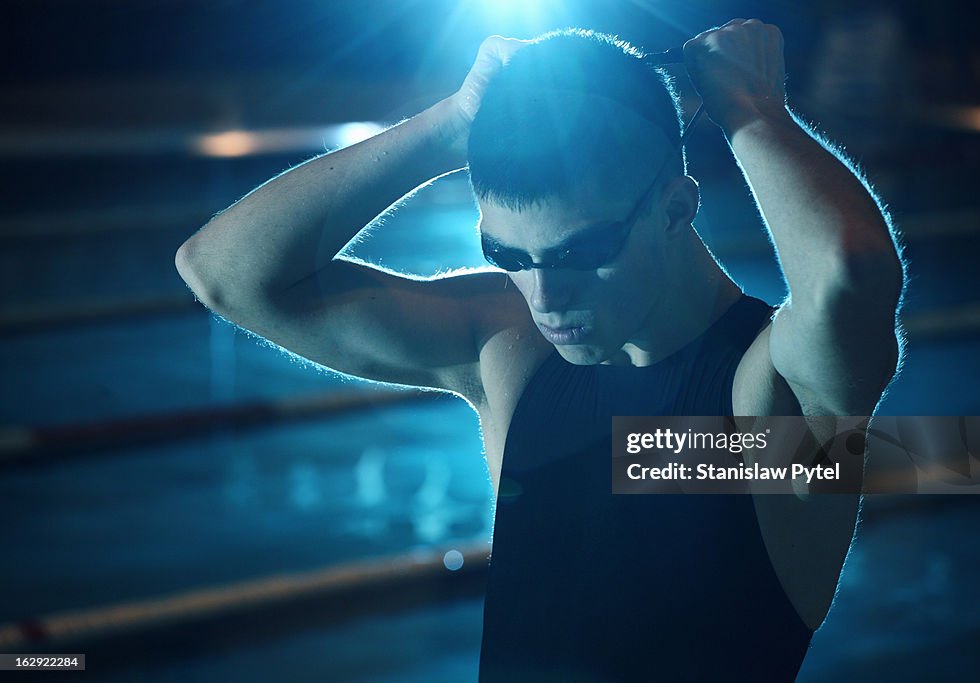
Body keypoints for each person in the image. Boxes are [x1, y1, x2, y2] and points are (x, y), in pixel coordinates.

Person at [175, 19, 904, 682]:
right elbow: (223, 272)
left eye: (582, 251)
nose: (545, 297)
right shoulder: (510, 355)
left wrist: (751, 109)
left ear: (677, 208)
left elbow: (849, 274)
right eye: (508, 255)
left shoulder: (765, 404)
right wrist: (451, 126)